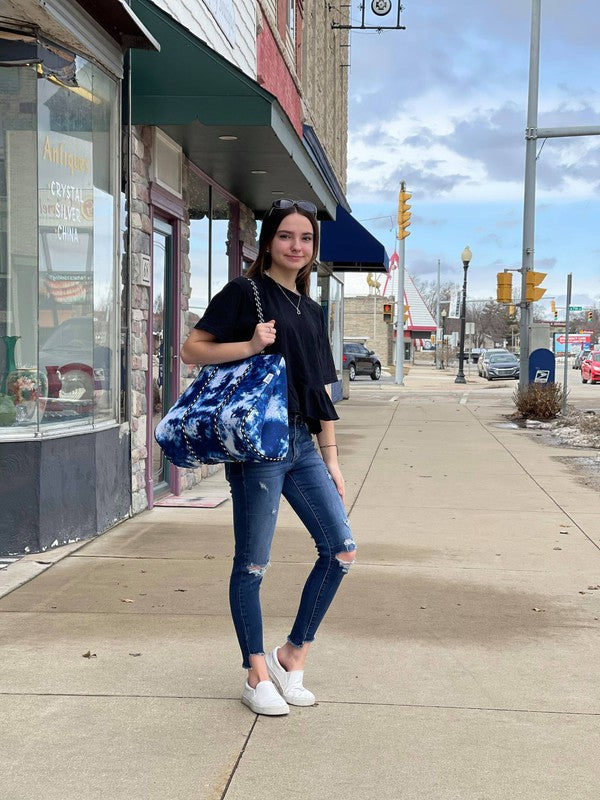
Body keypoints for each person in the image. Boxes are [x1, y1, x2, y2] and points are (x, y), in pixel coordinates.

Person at [180, 199, 356, 716]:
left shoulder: (312, 309)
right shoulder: (245, 293)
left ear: (313, 247)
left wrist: (332, 457)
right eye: (286, 236)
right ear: (267, 242)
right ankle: (256, 673)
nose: (296, 246)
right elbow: (192, 350)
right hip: (258, 447)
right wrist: (251, 346)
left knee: (340, 549)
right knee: (254, 563)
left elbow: (320, 389)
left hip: (302, 445)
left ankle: (292, 655)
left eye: (305, 238)